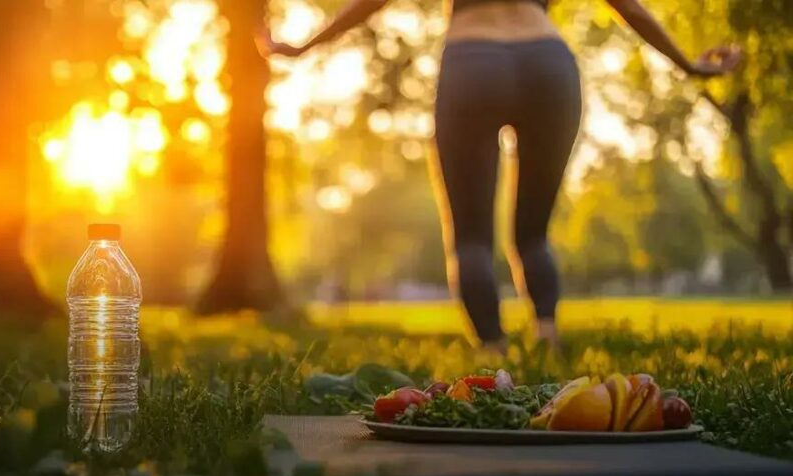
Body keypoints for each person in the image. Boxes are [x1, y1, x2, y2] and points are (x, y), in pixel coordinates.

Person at [260, 0, 741, 350]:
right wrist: (689, 65)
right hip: (549, 66)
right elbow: (629, 8)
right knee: (533, 233)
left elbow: (371, 3)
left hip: (474, 62)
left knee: (470, 237)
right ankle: (547, 338)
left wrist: (301, 47)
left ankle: (494, 354)